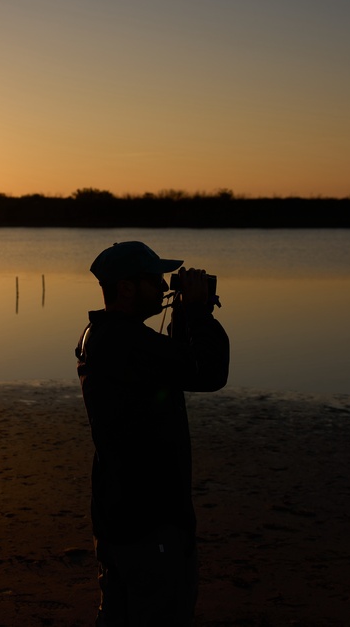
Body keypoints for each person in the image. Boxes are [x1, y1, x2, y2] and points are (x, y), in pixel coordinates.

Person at [75, 241, 229, 626]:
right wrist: (197, 313)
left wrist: (184, 316)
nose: (164, 288)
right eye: (156, 280)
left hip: (119, 517)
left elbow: (175, 364)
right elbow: (207, 372)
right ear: (126, 288)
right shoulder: (128, 344)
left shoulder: (105, 336)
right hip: (150, 524)